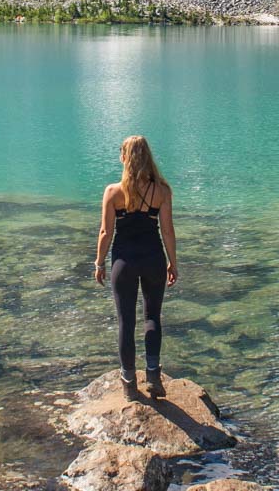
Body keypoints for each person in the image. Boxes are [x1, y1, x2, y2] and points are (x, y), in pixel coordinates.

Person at [94, 135, 178, 400]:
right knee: (152, 317)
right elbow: (167, 230)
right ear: (148, 157)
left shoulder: (113, 192)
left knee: (126, 321)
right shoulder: (162, 190)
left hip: (123, 262)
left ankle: (129, 383)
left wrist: (98, 263)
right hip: (153, 258)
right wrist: (173, 262)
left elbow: (106, 231)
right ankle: (153, 375)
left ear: (124, 158)